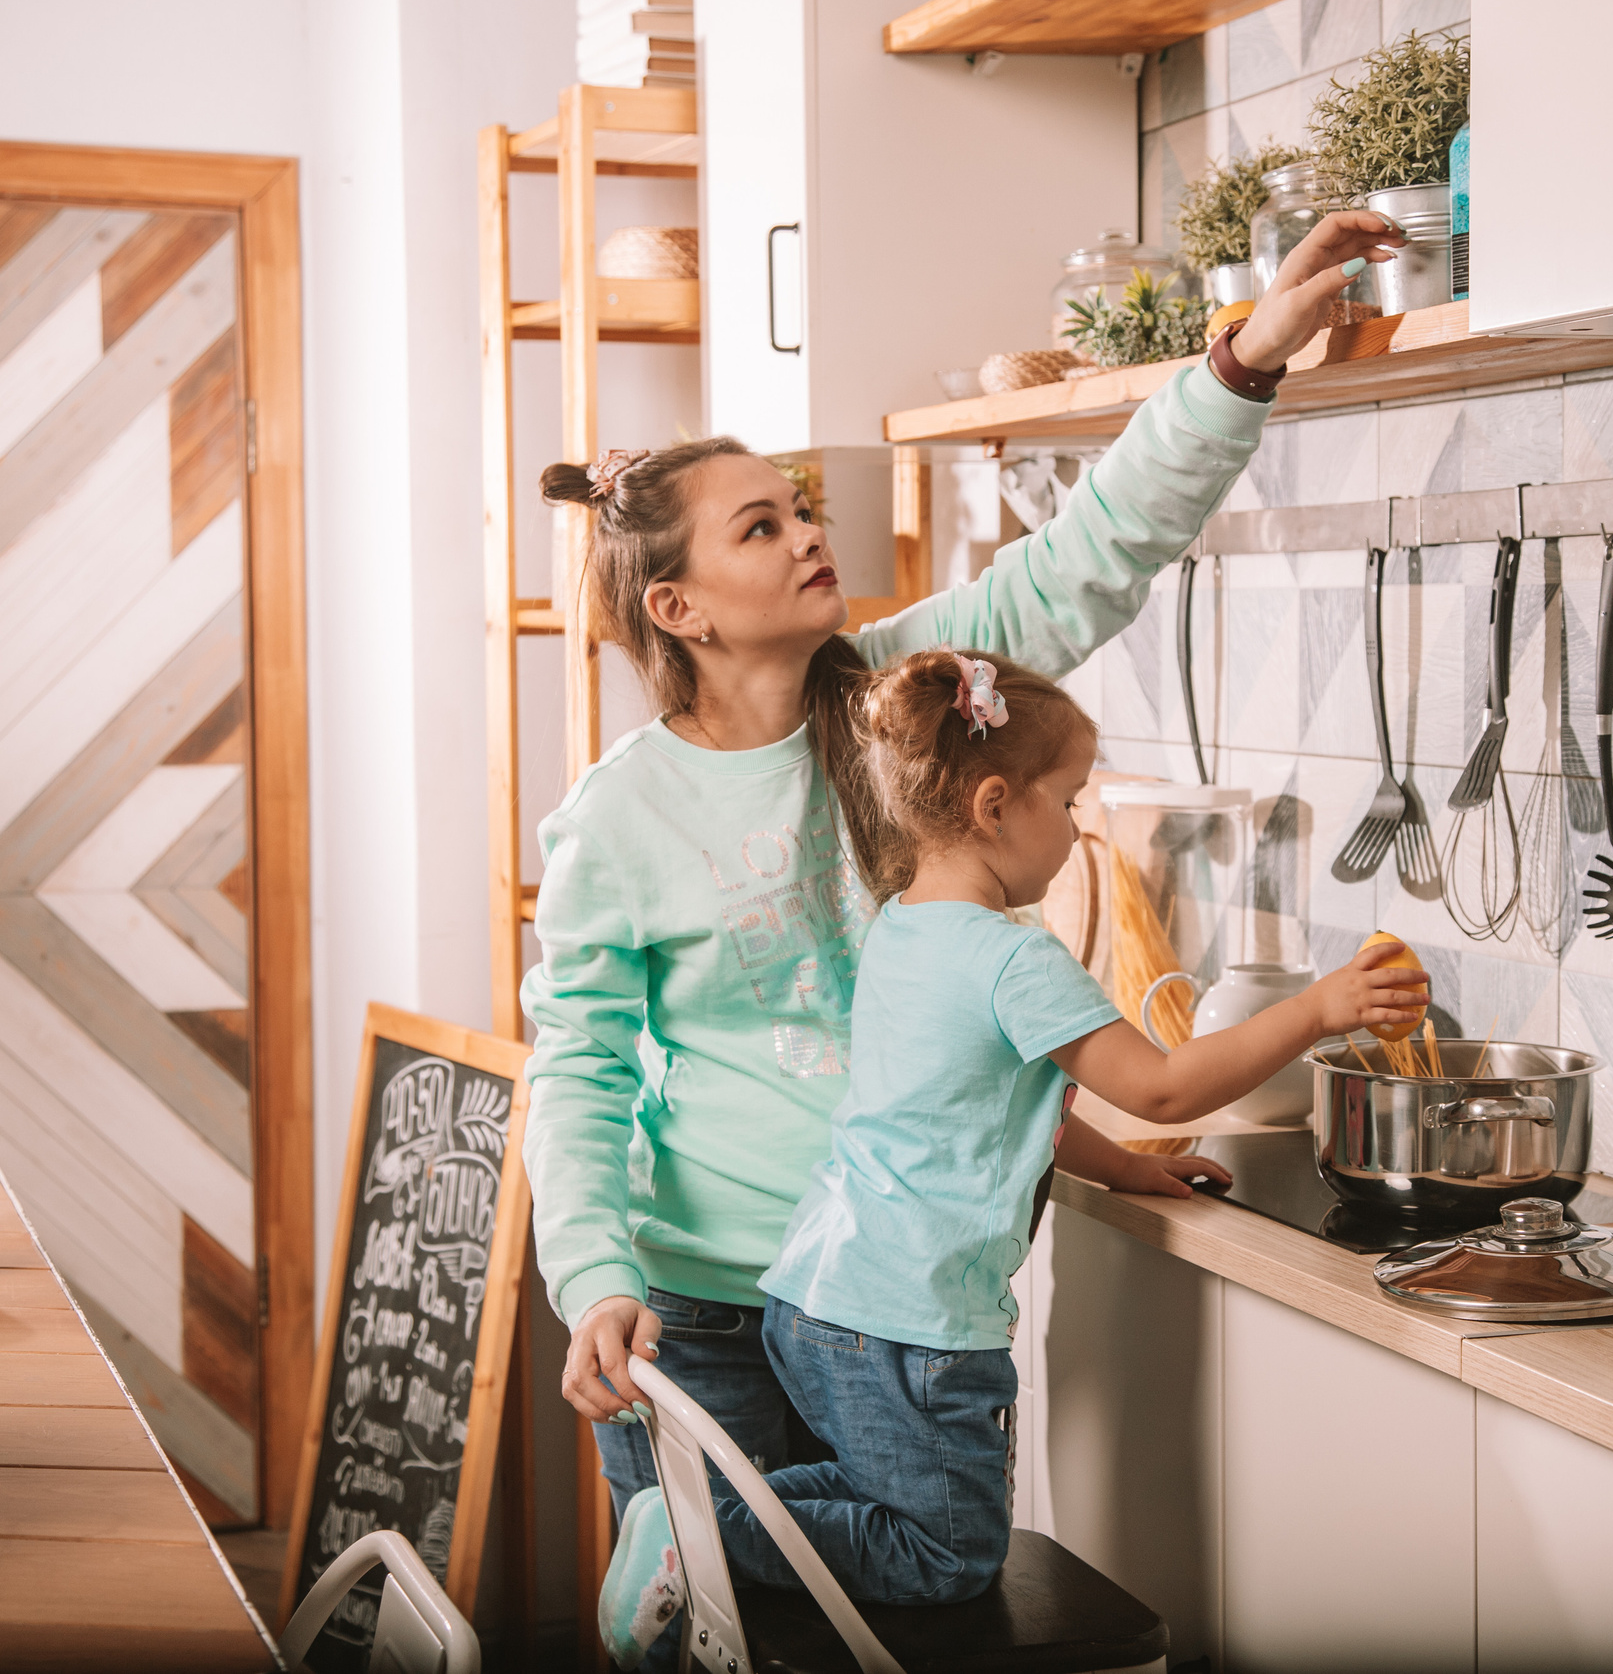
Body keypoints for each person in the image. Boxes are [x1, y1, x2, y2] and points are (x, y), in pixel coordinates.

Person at [520, 211, 1403, 1662]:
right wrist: (597, 1274)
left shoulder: (893, 710)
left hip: (890, 1305)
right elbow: (579, 1078)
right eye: (765, 524)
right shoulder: (615, 823)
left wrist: (1242, 360)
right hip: (712, 1305)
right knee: (715, 1635)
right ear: (676, 607)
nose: (811, 530)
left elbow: (1095, 553)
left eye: (800, 504)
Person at [594, 650, 1428, 1660]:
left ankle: (698, 1520)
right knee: (947, 1551)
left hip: (818, 1301)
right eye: (1070, 800)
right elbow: (1164, 1086)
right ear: (995, 804)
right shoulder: (1014, 958)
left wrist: (1128, 1171)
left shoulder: (903, 927)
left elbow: (980, 1111)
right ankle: (701, 1535)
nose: (1079, 830)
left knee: (881, 1502)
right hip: (910, 1326)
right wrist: (1317, 1008)